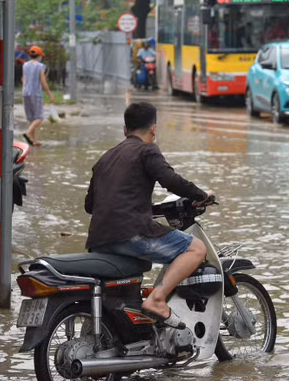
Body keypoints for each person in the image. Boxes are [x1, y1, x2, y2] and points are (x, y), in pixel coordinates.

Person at [85, 102, 213, 328]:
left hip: (99, 240)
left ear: (125, 130)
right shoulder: (147, 150)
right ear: (153, 129)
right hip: (131, 234)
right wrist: (201, 195)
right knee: (196, 248)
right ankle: (157, 299)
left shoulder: (104, 158)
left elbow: (90, 205)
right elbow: (170, 180)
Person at [21, 45, 54, 147]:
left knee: (31, 118)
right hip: (35, 94)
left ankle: (33, 140)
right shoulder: (40, 66)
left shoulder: (25, 65)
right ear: (39, 55)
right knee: (39, 118)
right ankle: (28, 132)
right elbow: (43, 82)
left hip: (25, 93)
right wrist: (49, 94)